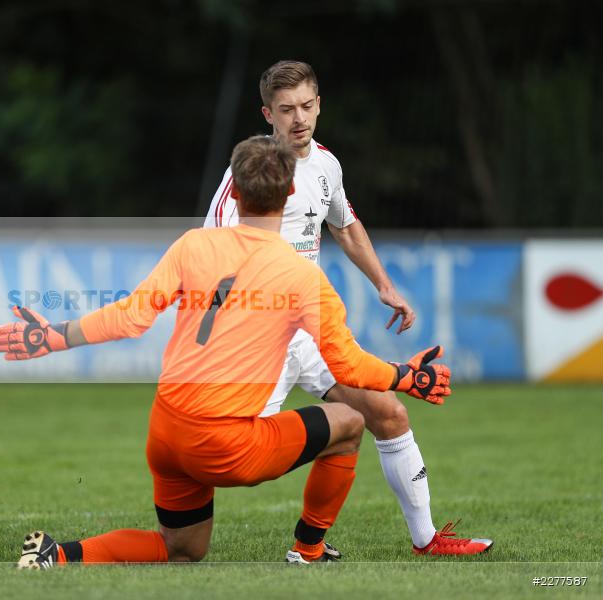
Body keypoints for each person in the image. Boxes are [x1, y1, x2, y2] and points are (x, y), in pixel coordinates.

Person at [0, 136, 451, 567]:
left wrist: (53, 336)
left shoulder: (193, 245)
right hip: (222, 447)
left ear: (233, 195)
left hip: (166, 433)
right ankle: (308, 548)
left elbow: (131, 317)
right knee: (350, 424)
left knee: (183, 549)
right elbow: (348, 364)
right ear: (291, 192)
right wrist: (405, 376)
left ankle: (60, 554)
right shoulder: (301, 277)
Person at [204, 60, 492, 556]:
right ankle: (178, 521)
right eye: (286, 110)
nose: (299, 119)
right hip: (257, 339)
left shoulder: (325, 165)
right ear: (267, 114)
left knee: (387, 413)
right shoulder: (251, 174)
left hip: (307, 333)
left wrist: (384, 285)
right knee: (228, 457)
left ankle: (420, 541)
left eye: (307, 106)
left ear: (319, 105)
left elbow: (345, 224)